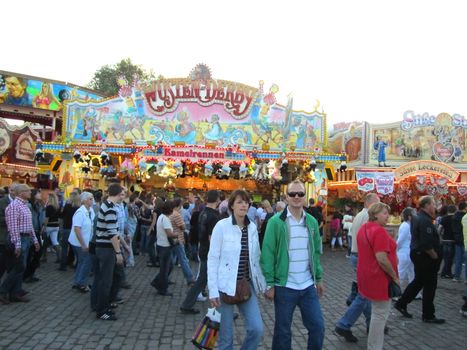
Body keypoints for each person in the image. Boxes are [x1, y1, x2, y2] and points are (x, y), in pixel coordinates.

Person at [261, 180, 324, 350]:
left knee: (318, 327)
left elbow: (316, 253)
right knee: (283, 332)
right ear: (286, 197)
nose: (297, 197)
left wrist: (318, 278)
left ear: (305, 197)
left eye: (300, 194)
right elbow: (267, 254)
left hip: (308, 285)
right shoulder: (276, 222)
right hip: (284, 286)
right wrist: (270, 284)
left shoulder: (311, 222)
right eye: (292, 194)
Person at [209, 189, 266, 350]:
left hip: (245, 285)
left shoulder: (252, 228)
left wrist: (263, 285)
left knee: (257, 329)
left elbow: (256, 260)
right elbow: (212, 259)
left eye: (246, 202)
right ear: (232, 205)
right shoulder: (221, 226)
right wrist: (213, 290)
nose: (244, 205)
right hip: (225, 287)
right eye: (239, 202)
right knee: (225, 339)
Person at [335, 193, 380, 343]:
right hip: (363, 257)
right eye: (378, 204)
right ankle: (344, 324)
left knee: (366, 294)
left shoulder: (360, 215)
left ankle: (372, 324)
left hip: (357, 255)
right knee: (365, 295)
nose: (380, 209)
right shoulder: (367, 217)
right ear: (370, 203)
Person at [395, 195, 445, 324]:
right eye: (433, 204)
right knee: (429, 285)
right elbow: (426, 243)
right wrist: (434, 255)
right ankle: (428, 314)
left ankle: (402, 303)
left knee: (419, 282)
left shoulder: (420, 218)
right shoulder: (424, 220)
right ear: (427, 206)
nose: (435, 207)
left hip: (419, 254)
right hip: (425, 256)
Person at [357, 203, 399, 350]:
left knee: (377, 312)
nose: (388, 215)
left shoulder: (364, 228)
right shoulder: (379, 231)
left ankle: (374, 345)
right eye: (384, 213)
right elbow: (381, 258)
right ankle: (374, 346)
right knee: (380, 314)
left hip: (367, 274)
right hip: (379, 277)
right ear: (375, 215)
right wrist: (394, 276)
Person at [180, 190, 220, 314]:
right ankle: (188, 304)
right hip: (209, 251)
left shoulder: (203, 212)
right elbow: (212, 237)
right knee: (205, 279)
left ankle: (188, 303)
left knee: (203, 279)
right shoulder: (213, 215)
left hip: (203, 248)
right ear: (217, 200)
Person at [0, 184, 40, 303]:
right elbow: (13, 228)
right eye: (27, 191)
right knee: (18, 267)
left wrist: (35, 240)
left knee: (20, 267)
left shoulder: (25, 205)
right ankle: (3, 291)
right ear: (21, 193)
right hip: (19, 239)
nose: (30, 193)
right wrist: (17, 244)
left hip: (26, 238)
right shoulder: (13, 207)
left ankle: (15, 293)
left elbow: (29, 225)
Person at [94, 183, 125, 321]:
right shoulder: (110, 209)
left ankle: (106, 305)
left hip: (104, 246)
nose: (123, 196)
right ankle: (101, 310)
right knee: (106, 280)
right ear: (118, 194)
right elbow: (112, 232)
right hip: (106, 248)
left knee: (113, 277)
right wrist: (118, 252)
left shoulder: (107, 205)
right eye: (122, 194)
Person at [69, 192, 95, 292]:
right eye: (90, 199)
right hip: (79, 243)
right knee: (86, 263)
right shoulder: (80, 212)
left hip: (87, 241)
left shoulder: (90, 210)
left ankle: (78, 281)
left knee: (82, 262)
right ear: (84, 200)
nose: (92, 201)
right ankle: (82, 283)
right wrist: (83, 244)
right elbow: (77, 229)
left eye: (92, 199)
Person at [151, 200, 178, 296]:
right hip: (164, 246)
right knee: (165, 269)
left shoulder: (161, 217)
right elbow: (169, 234)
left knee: (168, 266)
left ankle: (157, 282)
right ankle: (162, 288)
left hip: (161, 245)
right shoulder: (165, 219)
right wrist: (177, 235)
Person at [169, 198, 195, 285]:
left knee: (171, 260)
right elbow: (183, 227)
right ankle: (190, 278)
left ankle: (165, 276)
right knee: (183, 259)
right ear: (180, 205)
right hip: (178, 239)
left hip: (172, 239)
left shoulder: (171, 213)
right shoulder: (177, 214)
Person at [397, 207, 420, 297]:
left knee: (412, 273)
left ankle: (415, 293)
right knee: (401, 273)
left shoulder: (409, 225)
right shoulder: (406, 226)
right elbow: (400, 240)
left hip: (408, 252)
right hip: (404, 252)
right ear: (410, 216)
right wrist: (396, 249)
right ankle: (396, 292)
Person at [24, 189, 45, 283]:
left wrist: (42, 226)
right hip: (29, 232)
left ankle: (30, 273)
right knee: (29, 254)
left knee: (38, 253)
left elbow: (40, 217)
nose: (40, 194)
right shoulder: (28, 206)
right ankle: (26, 275)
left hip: (36, 231)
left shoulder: (38, 205)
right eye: (38, 193)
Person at [58, 191, 80, 271]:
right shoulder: (79, 208)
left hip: (67, 228)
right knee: (75, 248)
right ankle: (76, 264)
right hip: (75, 229)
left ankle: (63, 265)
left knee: (64, 247)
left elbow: (61, 215)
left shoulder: (67, 206)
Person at [0, 184, 18, 284]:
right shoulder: (2, 202)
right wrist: (11, 219)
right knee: (2, 264)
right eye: (12, 190)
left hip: (15, 238)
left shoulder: (19, 202)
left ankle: (10, 290)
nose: (14, 192)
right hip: (4, 237)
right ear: (9, 190)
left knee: (13, 265)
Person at [41, 192, 61, 263]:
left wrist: (44, 226)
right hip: (56, 226)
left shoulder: (49, 207)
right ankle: (59, 257)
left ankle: (44, 257)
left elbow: (47, 218)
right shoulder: (58, 206)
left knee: (44, 242)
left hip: (49, 225)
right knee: (55, 241)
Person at [439, 205, 457, 279]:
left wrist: (441, 236)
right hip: (452, 240)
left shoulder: (444, 218)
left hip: (445, 239)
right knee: (450, 258)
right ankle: (444, 273)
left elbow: (439, 228)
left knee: (446, 257)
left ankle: (448, 273)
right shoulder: (455, 218)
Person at [452, 202, 467, 282]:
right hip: (464, 239)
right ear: (465, 208)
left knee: (458, 259)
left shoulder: (454, 216)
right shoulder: (464, 217)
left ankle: (456, 276)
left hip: (457, 239)